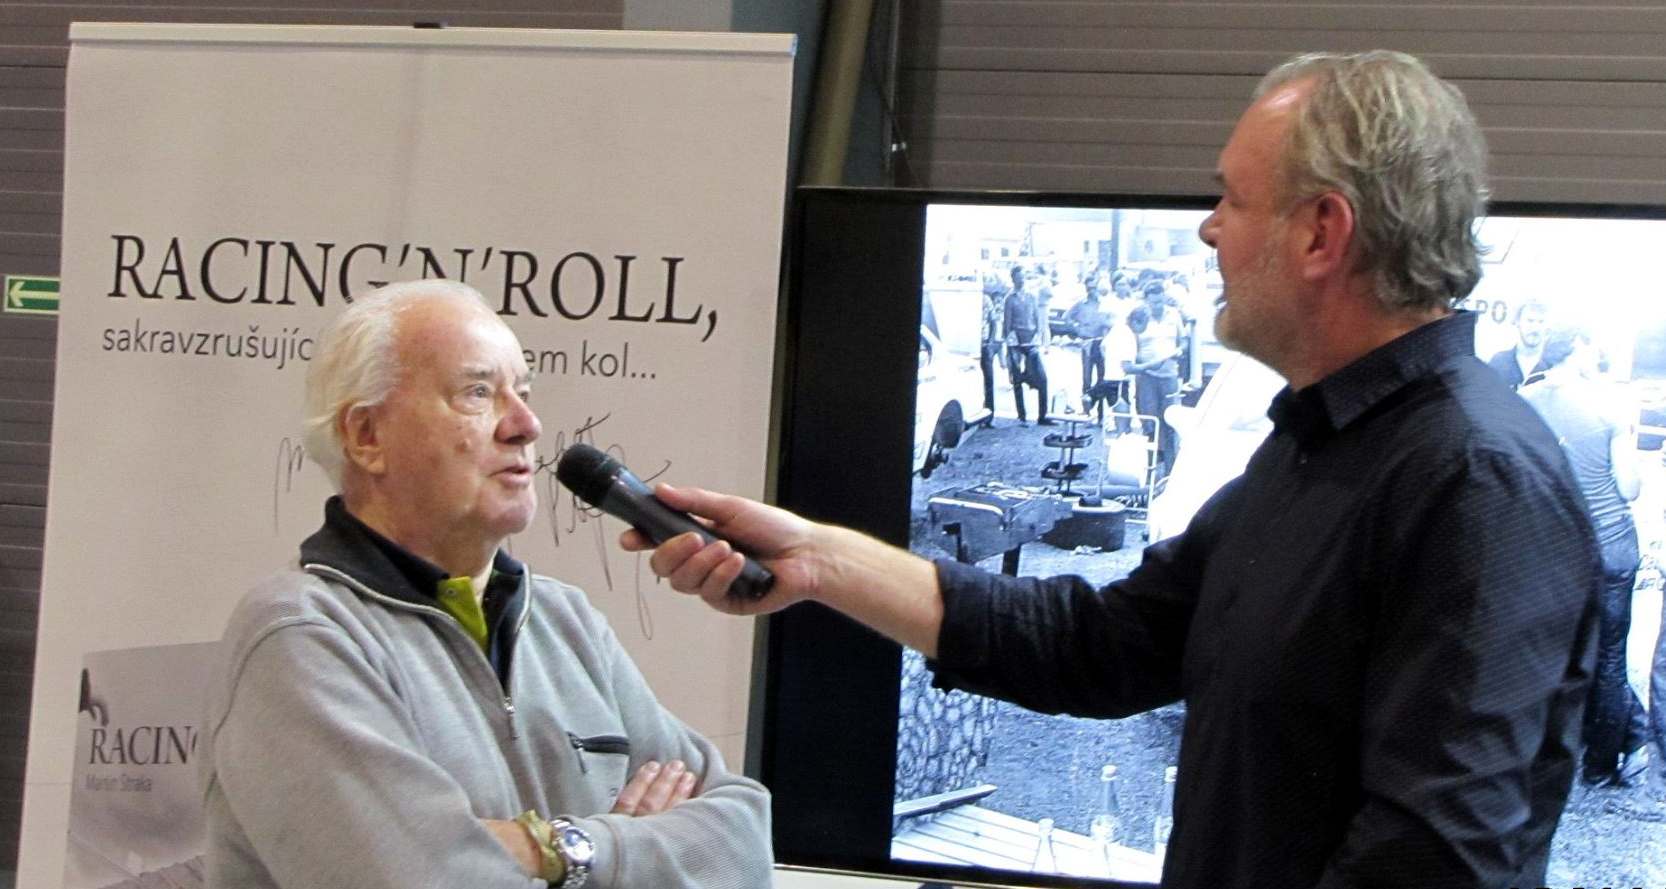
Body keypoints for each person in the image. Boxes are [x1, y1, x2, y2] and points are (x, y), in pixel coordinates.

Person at [625, 51, 1600, 889]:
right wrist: (819, 560)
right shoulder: (1324, 444)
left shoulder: (1476, 482)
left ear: (1321, 232)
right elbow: (1103, 643)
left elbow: (1431, 861)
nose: (1208, 228)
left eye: (1232, 198)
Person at [198, 280, 771, 889]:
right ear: (367, 436)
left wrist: (561, 849)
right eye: (477, 393)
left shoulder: (565, 619)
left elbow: (743, 845)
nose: (526, 424)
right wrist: (641, 852)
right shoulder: (302, 635)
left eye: (523, 392)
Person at [1522, 327, 1650, 789]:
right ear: (1577, 349)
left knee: (1551, 648)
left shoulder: (1525, 401)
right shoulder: (1609, 405)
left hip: (1558, 544)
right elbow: (1629, 488)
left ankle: (1537, 751)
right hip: (1614, 542)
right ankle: (1599, 767)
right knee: (1611, 655)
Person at [1128, 282, 1185, 475]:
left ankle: (1170, 472)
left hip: (1169, 375)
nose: (1157, 306)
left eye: (1160, 302)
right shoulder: (1140, 316)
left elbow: (1183, 341)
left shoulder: (1173, 315)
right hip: (1147, 377)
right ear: (1146, 301)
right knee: (1149, 422)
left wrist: (1179, 351)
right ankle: (1149, 470)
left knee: (1170, 422)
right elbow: (1131, 344)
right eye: (1153, 303)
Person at [1002, 264, 1052, 425]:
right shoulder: (1010, 299)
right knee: (1017, 380)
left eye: (1023, 277)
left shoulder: (1032, 296)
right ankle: (1021, 416)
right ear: (1013, 279)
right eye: (1018, 277)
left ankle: (1042, 416)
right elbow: (1007, 324)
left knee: (1042, 379)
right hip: (1016, 343)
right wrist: (1010, 344)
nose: (1022, 280)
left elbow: (1038, 319)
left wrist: (1039, 337)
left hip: (1031, 342)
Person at [1064, 281, 1114, 418]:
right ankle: (1086, 410)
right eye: (1089, 288)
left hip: (1101, 342)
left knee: (1102, 378)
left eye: (1094, 288)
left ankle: (1100, 414)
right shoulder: (1081, 304)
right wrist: (1077, 328)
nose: (1091, 290)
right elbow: (1067, 317)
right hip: (1087, 342)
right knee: (1086, 378)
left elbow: (1111, 320)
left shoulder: (1104, 304)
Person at [1486, 301, 1551, 389]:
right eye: (1530, 321)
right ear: (1517, 322)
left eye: (1541, 322)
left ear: (1548, 327)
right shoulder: (1499, 362)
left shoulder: (1554, 367)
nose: (1535, 327)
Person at [979, 272, 1004, 420]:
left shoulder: (986, 300)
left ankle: (989, 414)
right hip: (969, 346)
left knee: (989, 379)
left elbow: (993, 321)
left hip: (984, 345)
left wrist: (990, 341)